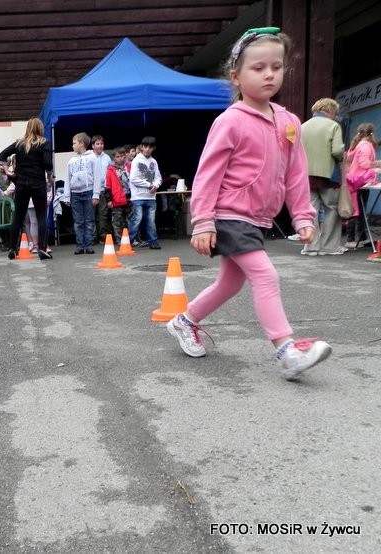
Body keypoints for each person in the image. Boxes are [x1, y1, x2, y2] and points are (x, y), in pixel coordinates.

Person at [165, 27, 331, 380]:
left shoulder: (289, 122)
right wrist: (203, 221)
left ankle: (184, 321)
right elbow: (208, 173)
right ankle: (287, 351)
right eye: (258, 68)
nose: (269, 74)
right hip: (229, 214)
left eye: (277, 66)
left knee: (230, 283)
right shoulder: (230, 121)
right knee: (265, 275)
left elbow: (295, 174)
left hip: (257, 218)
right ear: (236, 77)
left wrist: (303, 216)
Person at [0, 117, 54, 260]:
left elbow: (2, 154)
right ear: (40, 128)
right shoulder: (44, 143)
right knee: (41, 216)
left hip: (21, 183)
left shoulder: (19, 143)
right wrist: (49, 176)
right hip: (38, 183)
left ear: (28, 128)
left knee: (18, 216)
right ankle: (42, 248)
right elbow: (48, 164)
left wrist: (7, 170)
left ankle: (12, 248)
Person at [300, 98, 345, 256]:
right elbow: (337, 151)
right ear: (330, 110)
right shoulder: (333, 126)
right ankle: (329, 247)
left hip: (306, 174)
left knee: (310, 210)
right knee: (331, 209)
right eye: (335, 112)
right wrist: (342, 157)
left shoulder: (303, 126)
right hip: (328, 174)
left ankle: (310, 247)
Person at [344, 123, 381, 249]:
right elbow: (364, 163)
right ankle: (352, 238)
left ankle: (361, 237)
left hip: (355, 180)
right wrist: (377, 164)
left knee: (357, 209)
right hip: (360, 181)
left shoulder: (358, 144)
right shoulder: (365, 146)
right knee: (358, 210)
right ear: (371, 134)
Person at [64, 132, 98, 254]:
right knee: (78, 221)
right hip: (75, 194)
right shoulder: (71, 161)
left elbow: (97, 176)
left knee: (89, 220)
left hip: (88, 192)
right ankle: (80, 245)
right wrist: (67, 196)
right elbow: (67, 179)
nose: (72, 146)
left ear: (82, 144)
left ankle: (89, 245)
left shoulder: (92, 158)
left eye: (74, 143)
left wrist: (96, 194)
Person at [128, 136, 162, 249]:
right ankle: (128, 241)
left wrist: (156, 185)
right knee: (137, 219)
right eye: (145, 146)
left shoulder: (154, 161)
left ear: (154, 148)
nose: (147, 149)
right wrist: (149, 185)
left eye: (150, 147)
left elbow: (158, 177)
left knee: (150, 220)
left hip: (151, 196)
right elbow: (133, 178)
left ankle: (153, 241)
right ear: (141, 147)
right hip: (138, 196)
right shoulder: (136, 160)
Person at [104, 147, 130, 244]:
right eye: (118, 156)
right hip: (117, 198)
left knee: (130, 220)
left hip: (129, 197)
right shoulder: (110, 170)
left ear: (125, 156)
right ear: (114, 158)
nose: (120, 158)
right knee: (117, 220)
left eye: (122, 156)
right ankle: (119, 239)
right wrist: (109, 200)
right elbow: (107, 186)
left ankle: (131, 239)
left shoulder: (129, 167)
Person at [91, 135, 112, 242]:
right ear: (93, 146)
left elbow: (110, 173)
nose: (100, 146)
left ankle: (103, 236)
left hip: (103, 189)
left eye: (102, 144)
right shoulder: (89, 157)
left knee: (103, 214)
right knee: (91, 214)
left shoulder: (107, 157)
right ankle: (92, 237)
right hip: (92, 190)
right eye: (97, 144)